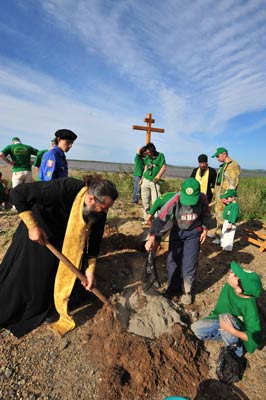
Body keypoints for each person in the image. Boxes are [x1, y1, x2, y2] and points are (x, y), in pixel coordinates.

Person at [0, 175, 118, 337]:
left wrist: (90, 270)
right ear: (90, 198)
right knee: (32, 274)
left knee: (53, 272)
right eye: (104, 207)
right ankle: (26, 308)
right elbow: (18, 193)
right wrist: (32, 226)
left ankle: (47, 305)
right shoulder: (64, 188)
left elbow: (95, 241)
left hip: (63, 237)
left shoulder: (99, 211)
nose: (105, 212)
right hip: (39, 232)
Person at [145, 178, 212, 305]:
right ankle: (173, 288)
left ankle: (187, 291)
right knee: (172, 261)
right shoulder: (175, 200)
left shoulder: (203, 199)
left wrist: (205, 229)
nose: (189, 205)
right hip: (177, 231)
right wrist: (153, 236)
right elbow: (160, 219)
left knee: (189, 263)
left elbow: (206, 215)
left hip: (193, 233)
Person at [191, 261, 262, 358]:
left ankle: (236, 352)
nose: (231, 273)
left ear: (239, 289)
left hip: (235, 328)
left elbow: (255, 338)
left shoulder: (250, 307)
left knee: (227, 318)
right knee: (196, 329)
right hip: (222, 322)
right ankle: (227, 336)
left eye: (235, 275)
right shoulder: (231, 287)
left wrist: (232, 330)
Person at [211, 147, 240, 244]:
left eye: (218, 156)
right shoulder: (223, 166)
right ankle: (217, 233)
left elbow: (233, 182)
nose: (217, 158)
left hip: (225, 196)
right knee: (218, 215)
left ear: (224, 154)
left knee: (225, 217)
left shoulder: (233, 165)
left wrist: (228, 198)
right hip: (219, 195)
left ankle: (222, 238)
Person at [140, 142, 166, 222]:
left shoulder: (160, 155)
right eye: (147, 153)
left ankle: (156, 219)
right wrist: (142, 178)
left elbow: (163, 167)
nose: (148, 154)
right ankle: (146, 218)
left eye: (149, 152)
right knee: (145, 200)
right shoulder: (147, 157)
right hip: (145, 180)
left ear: (153, 150)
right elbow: (146, 168)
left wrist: (158, 176)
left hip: (154, 182)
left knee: (156, 201)